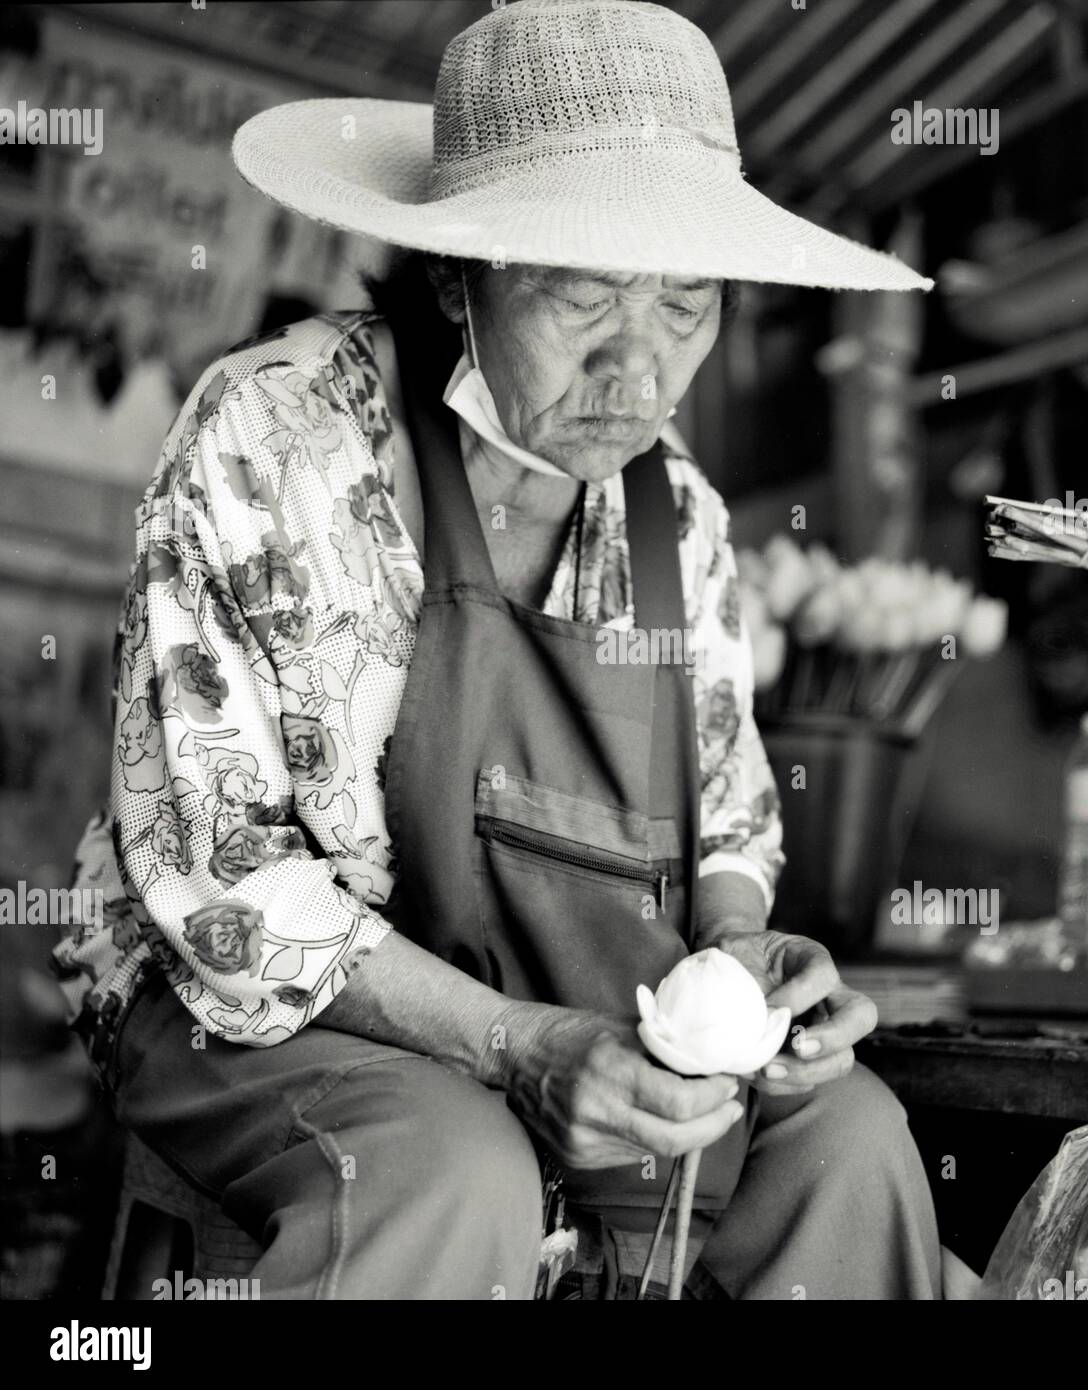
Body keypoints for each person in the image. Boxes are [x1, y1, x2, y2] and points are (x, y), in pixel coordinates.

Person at [55, 0, 941, 1299]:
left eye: (687, 305)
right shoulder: (275, 435)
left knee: (852, 1143)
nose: (637, 372)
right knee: (452, 1163)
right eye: (584, 298)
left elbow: (733, 818)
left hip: (569, 1001)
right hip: (243, 996)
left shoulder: (676, 514)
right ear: (460, 278)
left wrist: (744, 962)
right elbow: (222, 870)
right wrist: (517, 1045)